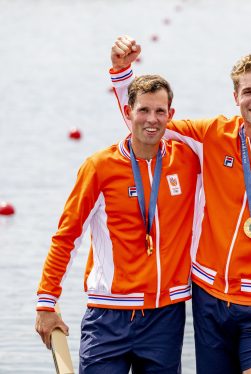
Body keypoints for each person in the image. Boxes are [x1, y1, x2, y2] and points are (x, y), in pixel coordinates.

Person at [110, 36, 251, 374]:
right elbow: (149, 127)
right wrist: (122, 74)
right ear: (235, 97)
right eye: (247, 92)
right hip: (209, 297)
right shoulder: (212, 135)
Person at [35, 75, 200, 373]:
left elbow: (236, 146)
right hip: (108, 316)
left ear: (170, 116)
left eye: (160, 112)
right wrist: (46, 303)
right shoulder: (99, 167)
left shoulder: (188, 162)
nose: (152, 120)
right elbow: (67, 237)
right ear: (127, 113)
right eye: (144, 111)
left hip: (166, 315)